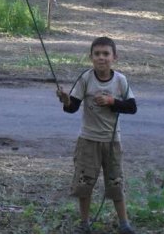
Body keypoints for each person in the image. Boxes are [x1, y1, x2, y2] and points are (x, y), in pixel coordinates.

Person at [56, 37, 137, 234]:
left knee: (115, 182)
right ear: (90, 57)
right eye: (97, 54)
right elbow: (72, 108)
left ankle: (124, 223)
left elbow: (132, 107)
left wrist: (112, 101)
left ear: (114, 57)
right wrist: (66, 101)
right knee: (85, 183)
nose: (101, 58)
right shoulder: (85, 78)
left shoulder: (120, 80)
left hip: (112, 142)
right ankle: (84, 223)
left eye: (106, 54)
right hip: (88, 140)